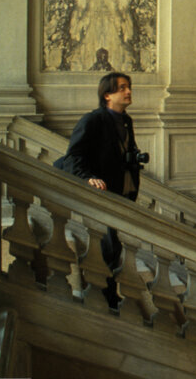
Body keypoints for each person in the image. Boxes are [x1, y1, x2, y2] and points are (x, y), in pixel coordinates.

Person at [57, 72, 146, 307]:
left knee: (114, 245)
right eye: (122, 88)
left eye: (129, 87)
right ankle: (104, 295)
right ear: (107, 95)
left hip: (120, 191)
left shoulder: (126, 120)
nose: (128, 92)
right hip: (101, 194)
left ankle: (108, 293)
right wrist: (88, 178)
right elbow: (73, 157)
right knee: (106, 245)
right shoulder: (93, 120)